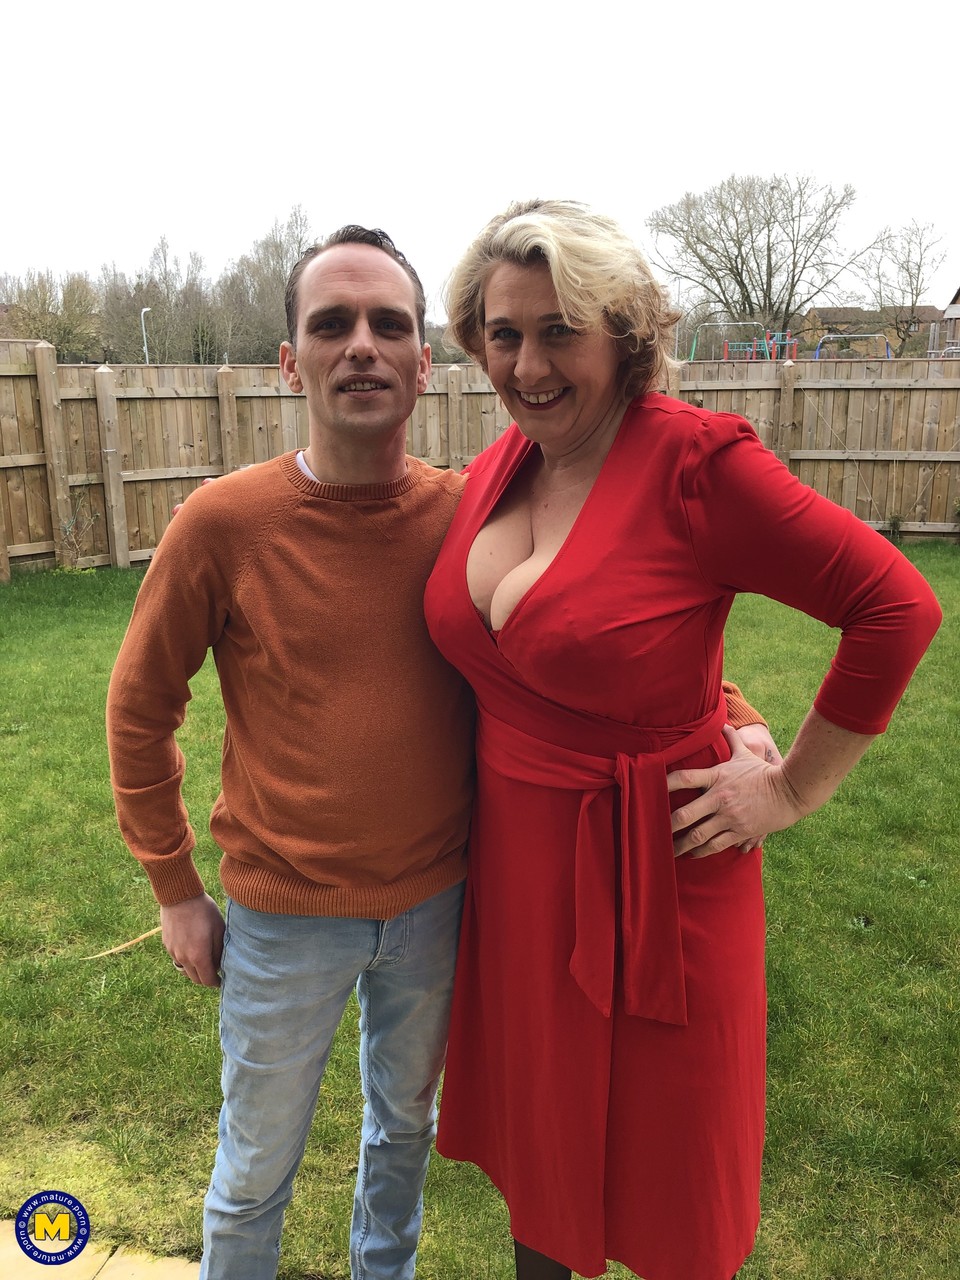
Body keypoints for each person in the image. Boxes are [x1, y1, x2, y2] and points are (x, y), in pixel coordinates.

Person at [107, 222, 772, 1280]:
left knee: (402, 1137)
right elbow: (139, 710)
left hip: (441, 904)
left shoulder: (472, 514)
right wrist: (175, 888)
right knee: (254, 1167)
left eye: (388, 324)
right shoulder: (222, 525)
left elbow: (603, 637)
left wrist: (735, 712)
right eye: (332, 324)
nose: (360, 345)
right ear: (290, 362)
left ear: (424, 363)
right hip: (284, 913)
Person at [422, 199, 942, 1280]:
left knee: (671, 1168)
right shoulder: (499, 467)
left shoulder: (699, 466)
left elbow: (895, 607)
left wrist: (790, 788)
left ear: (624, 332)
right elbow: (591, 654)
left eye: (560, 330)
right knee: (540, 1143)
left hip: (664, 869)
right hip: (520, 881)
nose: (528, 365)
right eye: (505, 333)